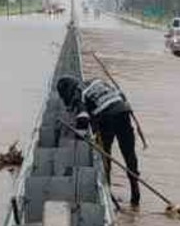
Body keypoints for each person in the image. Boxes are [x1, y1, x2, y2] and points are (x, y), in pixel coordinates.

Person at [56, 75, 141, 206]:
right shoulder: (98, 81)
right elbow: (121, 95)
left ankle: (107, 194)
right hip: (123, 112)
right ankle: (135, 197)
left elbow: (83, 118)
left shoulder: (80, 93)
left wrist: (80, 138)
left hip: (106, 117)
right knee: (129, 155)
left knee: (105, 155)